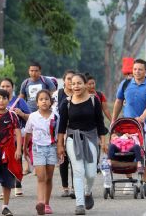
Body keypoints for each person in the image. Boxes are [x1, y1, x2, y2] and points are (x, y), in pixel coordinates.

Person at [57, 73, 108, 215]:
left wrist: (103, 142)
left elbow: (100, 123)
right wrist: (60, 145)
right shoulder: (66, 103)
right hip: (73, 139)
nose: (76, 86)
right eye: (73, 84)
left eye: (79, 83)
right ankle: (79, 204)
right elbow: (61, 127)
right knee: (78, 171)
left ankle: (87, 192)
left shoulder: (94, 100)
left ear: (86, 84)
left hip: (91, 138)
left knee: (91, 173)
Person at [111, 59, 146, 196]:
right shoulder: (125, 84)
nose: (137, 71)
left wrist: (142, 117)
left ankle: (144, 182)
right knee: (124, 154)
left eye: (140, 69)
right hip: (127, 127)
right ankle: (130, 180)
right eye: (135, 69)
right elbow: (119, 101)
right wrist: (114, 119)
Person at [0, 78, 30, 198]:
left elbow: (30, 118)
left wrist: (21, 113)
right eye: (3, 86)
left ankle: (18, 184)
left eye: (8, 86)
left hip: (16, 136)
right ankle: (5, 187)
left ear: (13, 87)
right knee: (2, 162)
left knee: (16, 159)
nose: (5, 89)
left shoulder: (19, 101)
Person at [24, 90, 59, 215]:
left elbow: (59, 134)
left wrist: (61, 148)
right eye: (41, 99)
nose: (44, 101)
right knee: (41, 177)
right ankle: (40, 203)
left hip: (52, 148)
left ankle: (47, 203)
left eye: (46, 99)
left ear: (50, 102)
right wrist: (24, 149)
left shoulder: (55, 116)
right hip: (37, 149)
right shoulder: (33, 116)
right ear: (37, 103)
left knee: (49, 177)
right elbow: (28, 133)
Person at [52, 70, 76, 198]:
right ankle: (65, 187)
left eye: (73, 79)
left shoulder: (80, 94)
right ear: (64, 81)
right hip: (61, 130)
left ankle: (74, 187)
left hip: (75, 130)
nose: (71, 81)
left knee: (74, 160)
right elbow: (52, 112)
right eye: (68, 79)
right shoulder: (57, 94)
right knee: (63, 159)